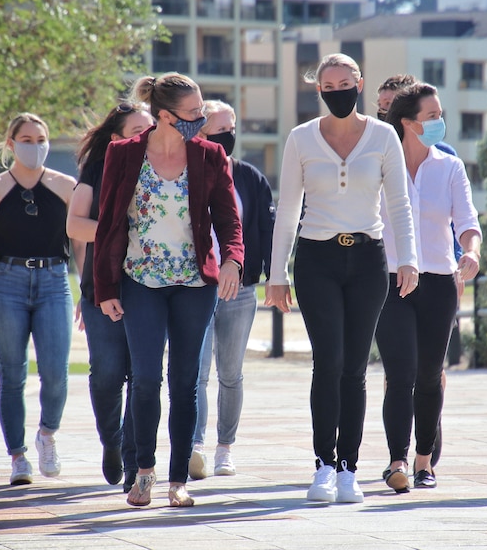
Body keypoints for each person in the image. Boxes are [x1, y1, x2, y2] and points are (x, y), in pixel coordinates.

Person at [265, 53, 419, 504]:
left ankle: (349, 468)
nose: (337, 92)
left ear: (359, 83)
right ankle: (323, 467)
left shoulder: (385, 136)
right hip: (317, 260)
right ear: (319, 91)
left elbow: (399, 205)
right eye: (328, 87)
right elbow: (288, 209)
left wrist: (406, 259)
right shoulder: (300, 139)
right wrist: (277, 273)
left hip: (369, 259)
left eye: (344, 83)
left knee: (355, 367)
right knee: (327, 361)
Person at [93, 73, 243, 508]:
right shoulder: (122, 154)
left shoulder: (210, 155)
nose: (202, 118)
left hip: (195, 284)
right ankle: (143, 473)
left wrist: (233, 258)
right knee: (144, 379)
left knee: (185, 382)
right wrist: (105, 287)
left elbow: (229, 219)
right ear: (164, 115)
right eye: (194, 113)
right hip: (140, 279)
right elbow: (108, 226)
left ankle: (179, 479)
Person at [377, 82, 482, 493]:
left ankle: (424, 462)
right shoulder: (381, 166)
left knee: (429, 373)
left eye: (441, 115)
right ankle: (396, 461)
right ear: (408, 123)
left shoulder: (450, 167)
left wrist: (470, 252)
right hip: (390, 281)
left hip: (440, 282)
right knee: (399, 373)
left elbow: (468, 222)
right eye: (432, 116)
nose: (440, 122)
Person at [0, 113, 77, 486]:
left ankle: (47, 434)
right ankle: (17, 457)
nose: (35, 146)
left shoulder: (67, 186)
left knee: (56, 374)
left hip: (54, 282)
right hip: (6, 284)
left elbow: (80, 246)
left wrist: (91, 290)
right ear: (11, 144)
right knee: (12, 376)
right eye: (26, 139)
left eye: (41, 138)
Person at [67, 102, 155, 494]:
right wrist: (117, 230)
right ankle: (113, 442)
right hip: (100, 286)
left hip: (150, 286)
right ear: (117, 138)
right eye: (137, 129)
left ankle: (136, 459)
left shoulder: (167, 167)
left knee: (142, 375)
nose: (145, 135)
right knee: (106, 375)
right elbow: (75, 224)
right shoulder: (96, 169)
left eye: (149, 127)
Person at [189, 100, 276, 480]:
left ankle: (225, 447)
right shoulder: (186, 172)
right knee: (195, 372)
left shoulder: (251, 177)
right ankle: (195, 447)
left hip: (239, 290)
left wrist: (275, 276)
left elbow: (267, 230)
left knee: (231, 372)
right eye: (219, 129)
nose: (228, 135)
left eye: (232, 127)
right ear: (200, 132)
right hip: (195, 285)